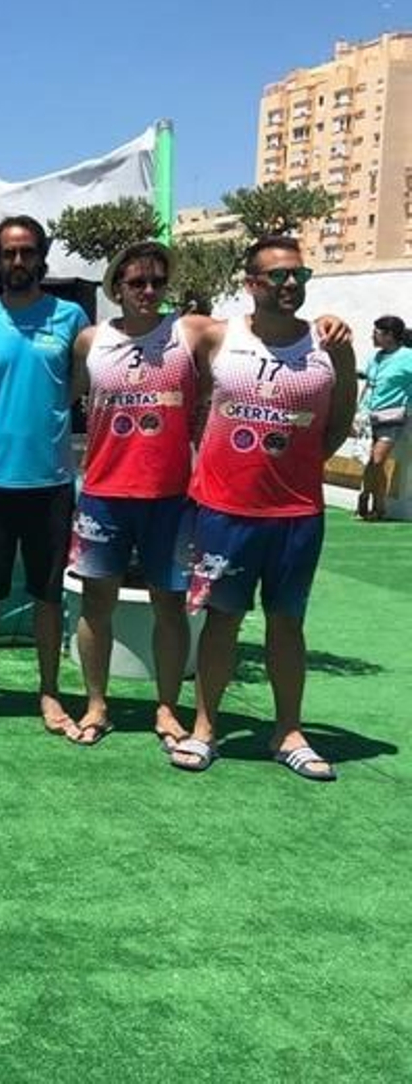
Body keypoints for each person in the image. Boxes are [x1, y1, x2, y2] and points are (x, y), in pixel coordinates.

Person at [171, 237, 355, 780]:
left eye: (299, 274)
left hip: (297, 514)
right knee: (222, 621)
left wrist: (295, 467)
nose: (291, 284)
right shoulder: (218, 337)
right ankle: (205, 729)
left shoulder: (330, 345)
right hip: (224, 510)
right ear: (251, 283)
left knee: (287, 624)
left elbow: (338, 422)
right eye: (277, 276)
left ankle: (288, 733)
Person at [0, 216, 89, 733]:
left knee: (48, 597)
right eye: (8, 253)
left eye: (27, 251)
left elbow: (80, 381)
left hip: (50, 481)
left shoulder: (71, 318)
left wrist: (51, 412)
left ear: (41, 258)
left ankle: (49, 692)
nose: (18, 261)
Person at [67, 242, 205, 748]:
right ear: (117, 288)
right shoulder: (91, 340)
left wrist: (325, 327)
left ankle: (166, 708)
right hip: (103, 493)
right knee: (95, 604)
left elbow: (256, 332)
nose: (148, 291)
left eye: (157, 282)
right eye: (137, 282)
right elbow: (66, 397)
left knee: (170, 605)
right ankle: (96, 705)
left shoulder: (189, 333)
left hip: (171, 496)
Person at [358, 314, 412, 521]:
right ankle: (378, 506)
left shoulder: (408, 356)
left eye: (376, 333)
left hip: (393, 417)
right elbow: (369, 385)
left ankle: (365, 496)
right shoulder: (375, 358)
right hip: (368, 417)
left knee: (377, 459)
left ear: (389, 335)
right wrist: (358, 410)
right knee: (369, 461)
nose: (372, 336)